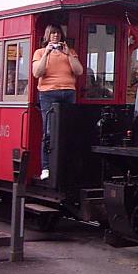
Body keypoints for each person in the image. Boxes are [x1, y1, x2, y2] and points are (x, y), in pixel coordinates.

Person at [32, 24, 83, 181]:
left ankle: (66, 166)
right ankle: (46, 167)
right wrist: (47, 53)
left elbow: (79, 71)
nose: (56, 36)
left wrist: (68, 55)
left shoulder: (70, 52)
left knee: (69, 130)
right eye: (53, 33)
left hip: (68, 92)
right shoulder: (40, 52)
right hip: (48, 93)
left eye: (58, 33)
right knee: (48, 131)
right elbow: (37, 73)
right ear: (47, 36)